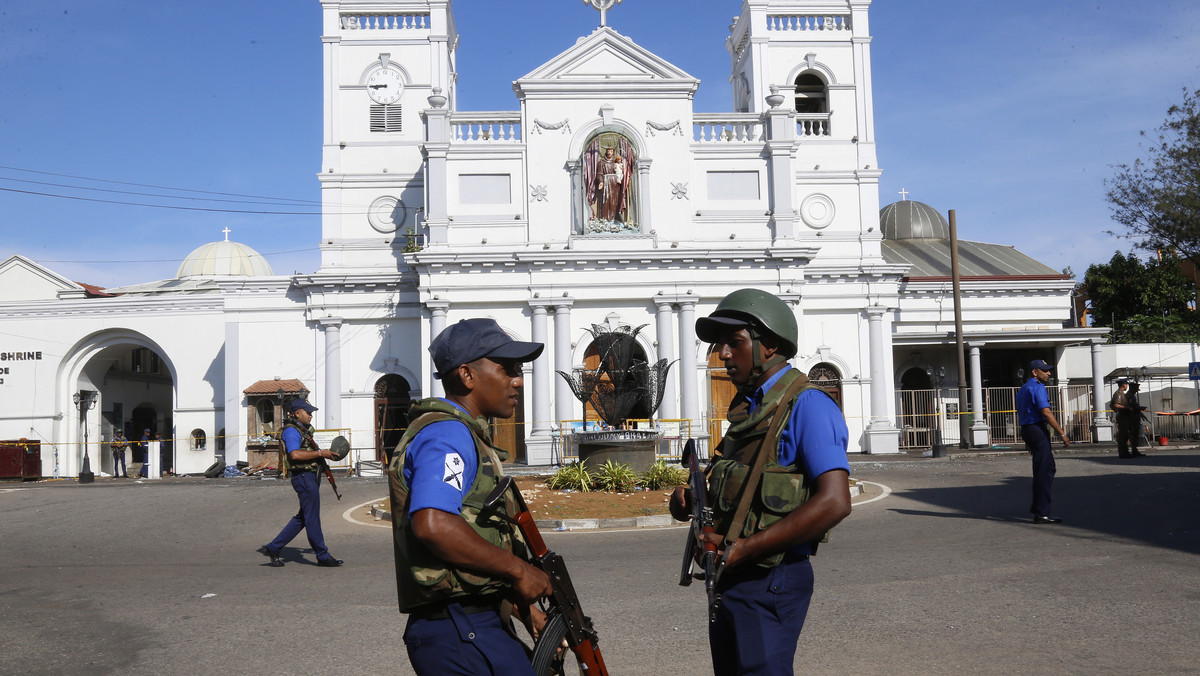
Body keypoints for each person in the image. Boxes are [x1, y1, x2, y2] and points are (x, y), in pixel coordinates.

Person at [669, 288, 852, 676]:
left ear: (768, 345)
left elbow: (835, 502)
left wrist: (746, 548)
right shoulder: (749, 411)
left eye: (734, 343)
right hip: (732, 578)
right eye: (721, 345)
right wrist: (691, 497)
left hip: (771, 578)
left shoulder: (808, 404)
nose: (723, 354)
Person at [388, 318, 553, 676]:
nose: (518, 379)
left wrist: (526, 612)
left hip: (470, 623)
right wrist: (518, 568)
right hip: (458, 628)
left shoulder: (463, 433)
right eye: (507, 368)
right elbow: (433, 524)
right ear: (467, 375)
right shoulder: (449, 434)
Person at [258, 399, 343, 568]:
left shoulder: (302, 430)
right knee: (311, 518)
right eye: (308, 412)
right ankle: (322, 555)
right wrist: (320, 453)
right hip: (303, 477)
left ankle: (274, 547)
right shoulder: (291, 431)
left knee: (304, 517)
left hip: (308, 477)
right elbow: (295, 455)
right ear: (297, 413)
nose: (311, 415)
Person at [1016, 359, 1071, 524]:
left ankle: (1039, 509)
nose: (1048, 373)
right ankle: (1042, 513)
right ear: (1035, 372)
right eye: (1045, 370)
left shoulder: (1024, 388)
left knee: (1045, 468)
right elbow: (1046, 412)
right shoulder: (1037, 387)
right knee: (1044, 470)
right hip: (1036, 428)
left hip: (1028, 429)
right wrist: (1062, 433)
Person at [1111, 377, 1145, 459]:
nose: (1127, 386)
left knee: (1125, 435)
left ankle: (1126, 452)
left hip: (1124, 416)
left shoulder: (1121, 393)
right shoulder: (1119, 394)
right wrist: (1127, 408)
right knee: (1123, 435)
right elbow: (1116, 405)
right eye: (1126, 384)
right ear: (1123, 385)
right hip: (1123, 416)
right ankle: (1123, 453)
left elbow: (1113, 405)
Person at [1125, 381, 1148, 457]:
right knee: (1133, 435)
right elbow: (1132, 407)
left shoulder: (1130, 395)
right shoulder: (1130, 396)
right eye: (1136, 389)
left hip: (1133, 417)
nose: (1136, 391)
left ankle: (1134, 450)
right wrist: (1140, 408)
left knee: (1134, 435)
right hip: (1132, 417)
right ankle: (1134, 450)